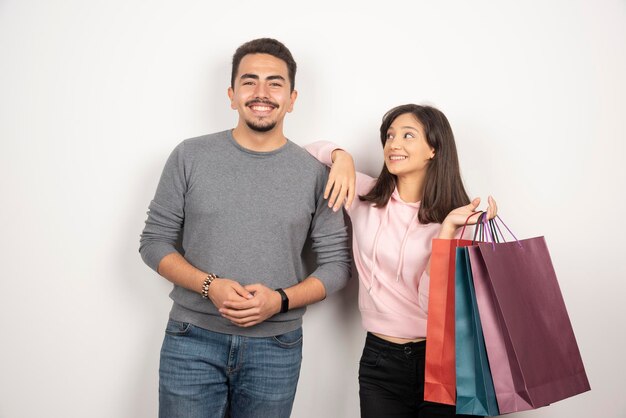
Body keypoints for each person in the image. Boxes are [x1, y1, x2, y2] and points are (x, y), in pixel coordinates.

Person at [139, 38, 351, 418]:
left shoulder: (317, 174)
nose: (262, 93)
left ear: (292, 97)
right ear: (232, 94)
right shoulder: (190, 155)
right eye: (249, 81)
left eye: (275, 83)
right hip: (191, 341)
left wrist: (280, 300)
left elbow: (337, 267)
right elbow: (154, 242)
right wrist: (210, 286)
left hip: (276, 348)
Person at [305, 104, 497, 418]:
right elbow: (302, 155)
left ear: (433, 149)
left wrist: (447, 232)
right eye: (390, 135)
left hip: (443, 360)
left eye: (408, 135)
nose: (394, 144)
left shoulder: (461, 220)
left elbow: (431, 304)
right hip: (380, 360)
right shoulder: (365, 195)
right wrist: (341, 155)